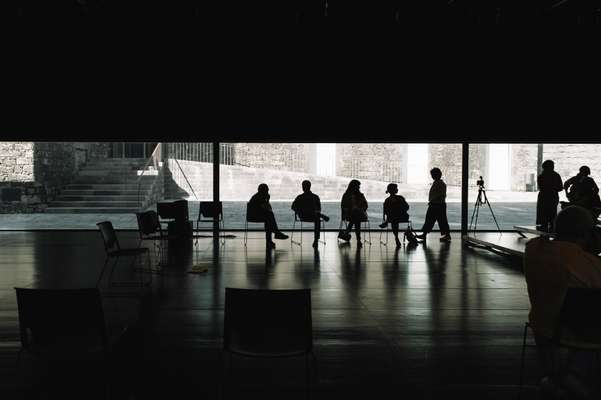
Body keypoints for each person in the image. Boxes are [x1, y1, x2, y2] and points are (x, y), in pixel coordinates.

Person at [524, 206, 601, 398]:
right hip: (574, 331)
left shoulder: (533, 250)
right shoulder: (584, 262)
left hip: (541, 325)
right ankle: (574, 373)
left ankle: (558, 377)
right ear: (587, 234)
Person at [291, 180, 330, 248]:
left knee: (315, 216)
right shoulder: (315, 197)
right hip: (313, 216)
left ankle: (318, 215)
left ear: (303, 187)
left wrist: (299, 211)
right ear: (310, 187)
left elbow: (293, 207)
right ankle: (316, 240)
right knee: (317, 219)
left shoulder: (300, 197)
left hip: (303, 216)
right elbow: (319, 208)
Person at [248, 183, 288, 249]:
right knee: (269, 216)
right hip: (255, 216)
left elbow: (267, 209)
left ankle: (271, 239)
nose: (268, 191)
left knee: (269, 218)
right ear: (263, 191)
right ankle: (275, 235)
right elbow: (267, 208)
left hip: (256, 215)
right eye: (267, 190)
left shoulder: (258, 196)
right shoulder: (260, 197)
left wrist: (267, 200)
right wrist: (267, 200)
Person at [416, 168, 451, 242]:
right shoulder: (439, 183)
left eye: (433, 175)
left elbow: (441, 195)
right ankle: (446, 235)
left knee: (432, 220)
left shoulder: (439, 184)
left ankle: (425, 234)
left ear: (436, 175)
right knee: (439, 220)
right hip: (437, 204)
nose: (432, 176)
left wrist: (432, 200)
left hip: (437, 205)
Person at [338, 179, 368, 247]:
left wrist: (359, 209)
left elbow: (343, 206)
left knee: (355, 217)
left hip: (356, 214)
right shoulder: (359, 195)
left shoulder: (347, 195)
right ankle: (358, 240)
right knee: (356, 219)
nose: (359, 188)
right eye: (358, 186)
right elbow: (365, 205)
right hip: (356, 215)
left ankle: (347, 233)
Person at [379, 183, 410, 247]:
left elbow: (386, 212)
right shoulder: (400, 198)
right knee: (394, 218)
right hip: (403, 216)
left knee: (393, 219)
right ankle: (396, 237)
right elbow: (406, 207)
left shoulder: (387, 200)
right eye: (396, 188)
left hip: (394, 217)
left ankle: (396, 237)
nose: (397, 189)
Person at [536, 160, 563, 232]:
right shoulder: (556, 175)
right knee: (552, 214)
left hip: (543, 197)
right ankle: (552, 230)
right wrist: (553, 189)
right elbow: (560, 187)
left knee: (542, 214)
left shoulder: (541, 176)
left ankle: (542, 231)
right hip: (553, 196)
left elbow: (541, 187)